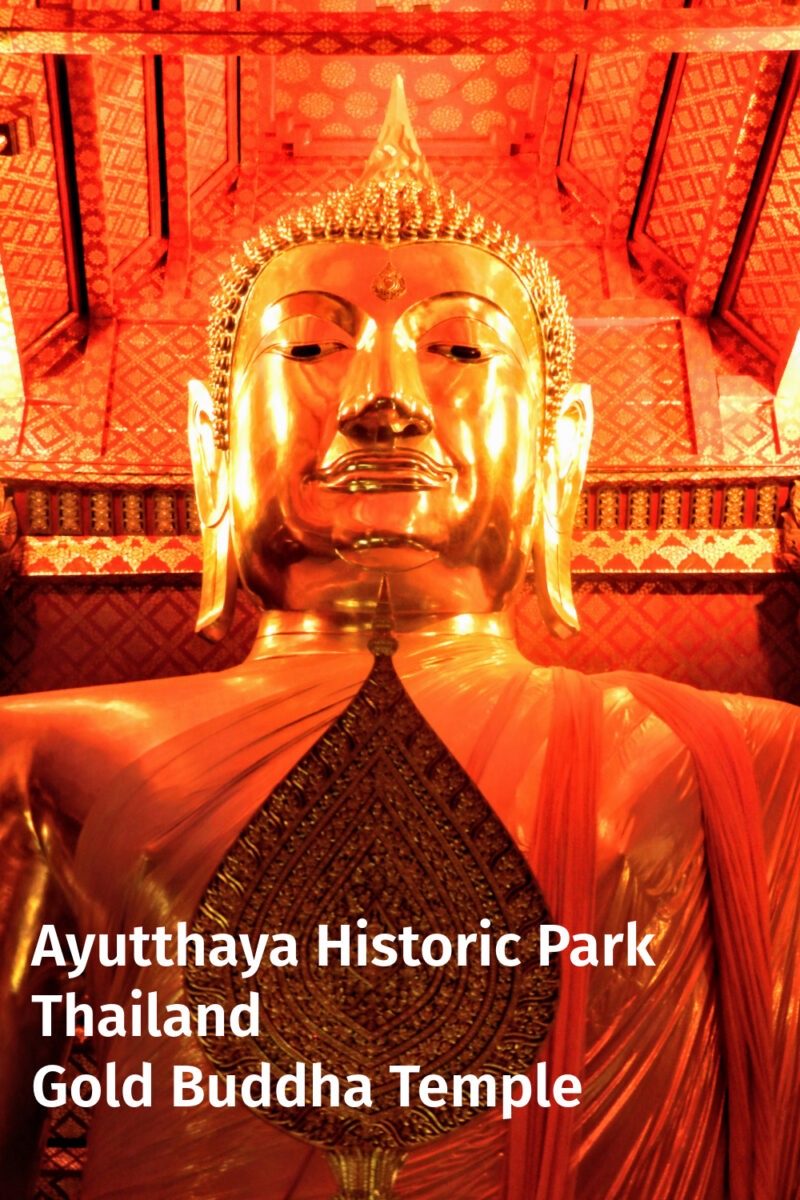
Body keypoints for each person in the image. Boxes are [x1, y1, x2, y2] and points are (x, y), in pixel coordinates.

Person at [0, 79, 797, 1200]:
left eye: (459, 352)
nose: (383, 399)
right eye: (311, 349)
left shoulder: (746, 765)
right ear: (207, 447)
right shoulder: (36, 759)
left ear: (563, 451)